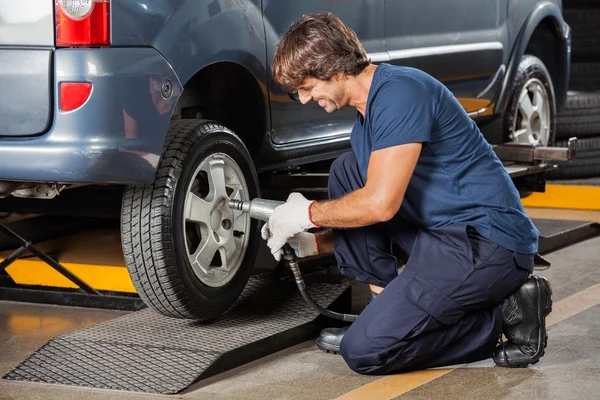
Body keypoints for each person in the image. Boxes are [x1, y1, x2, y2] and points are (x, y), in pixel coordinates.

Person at [262, 12, 553, 375]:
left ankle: (500, 319)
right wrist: (317, 244)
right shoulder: (367, 116)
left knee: (365, 352)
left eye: (306, 87)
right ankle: (382, 312)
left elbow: (381, 205)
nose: (304, 99)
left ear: (333, 70)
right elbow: (376, 212)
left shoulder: (401, 93)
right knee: (348, 170)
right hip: (442, 235)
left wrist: (307, 213)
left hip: (487, 244)